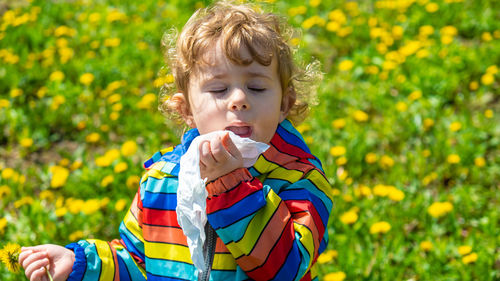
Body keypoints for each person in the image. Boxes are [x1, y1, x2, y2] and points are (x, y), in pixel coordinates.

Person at [19, 1, 333, 280]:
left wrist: (232, 186)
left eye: (257, 88)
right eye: (219, 90)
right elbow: (139, 263)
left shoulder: (300, 182)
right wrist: (80, 265)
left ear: (284, 105)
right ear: (187, 110)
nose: (238, 99)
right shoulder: (162, 180)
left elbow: (285, 268)